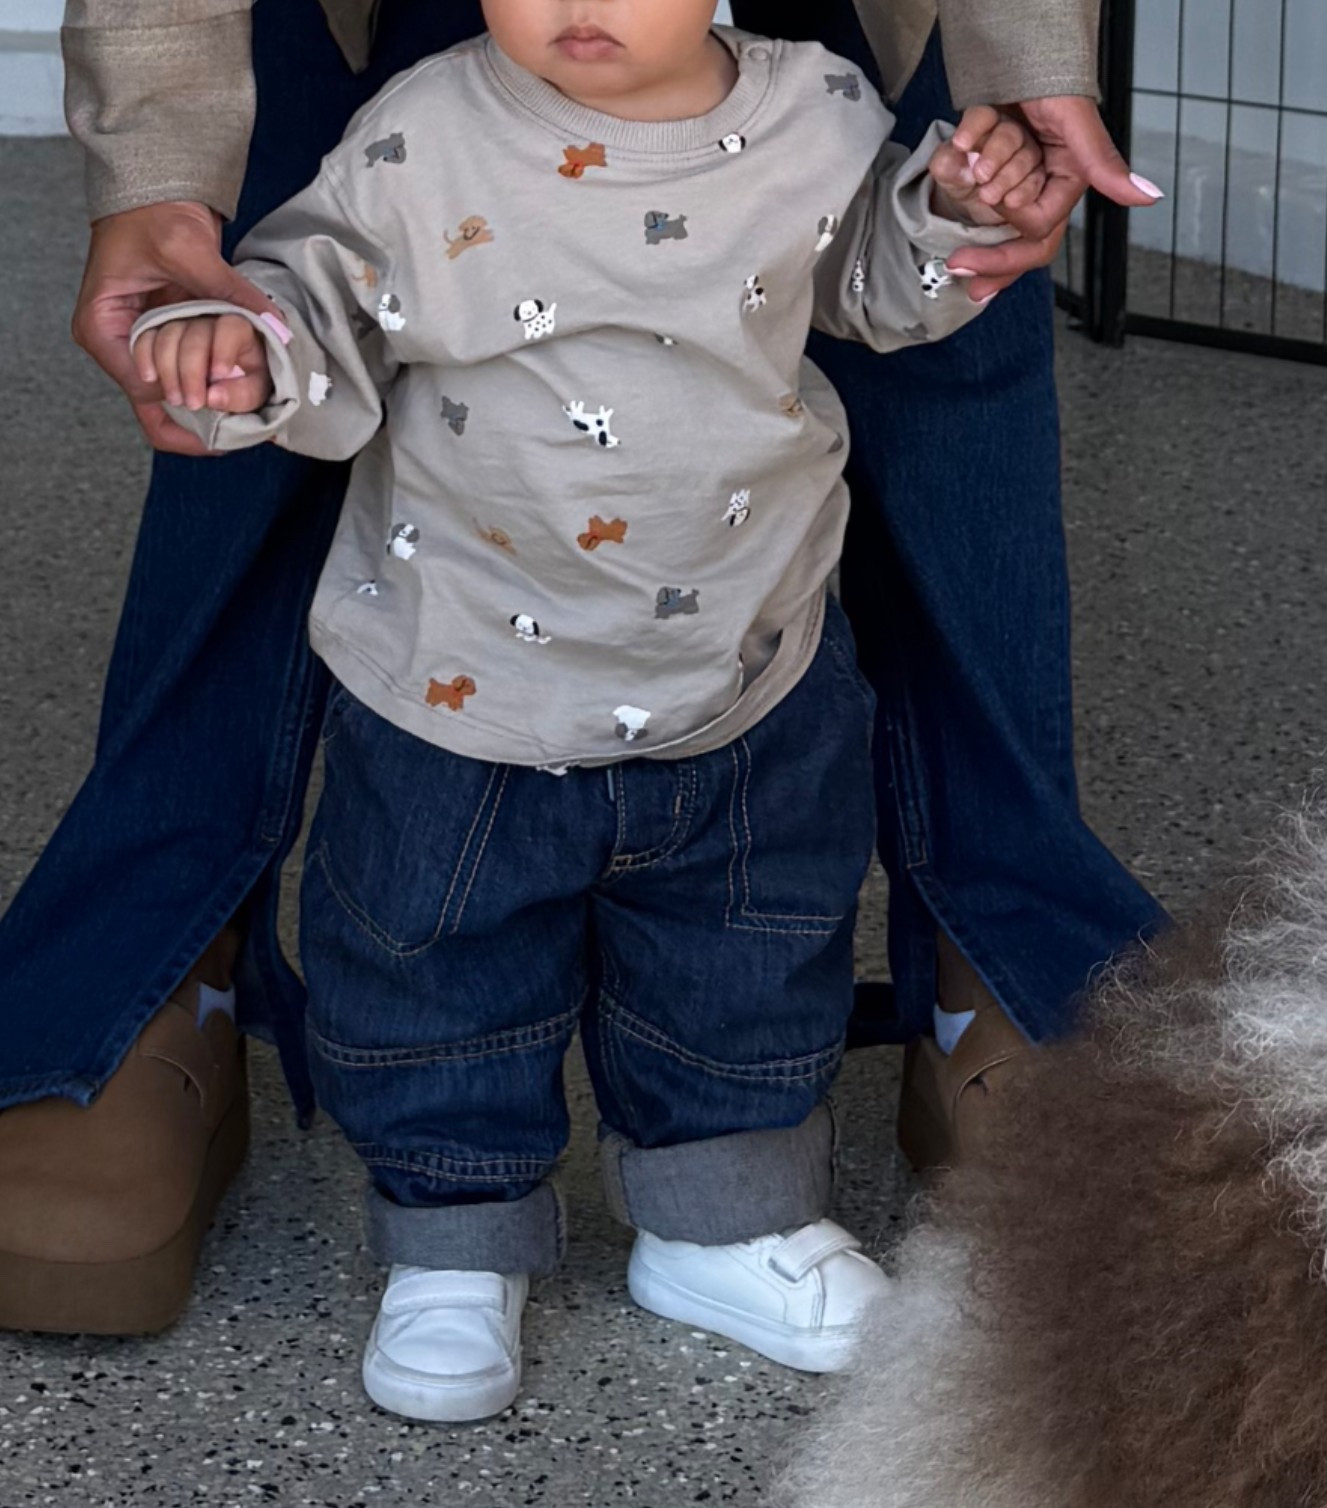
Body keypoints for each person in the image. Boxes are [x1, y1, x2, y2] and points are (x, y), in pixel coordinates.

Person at [0, 0, 1165, 1338]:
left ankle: (888, 1058)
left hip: (746, 660)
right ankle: (414, 1200)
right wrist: (235, 338)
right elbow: (312, 299)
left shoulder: (819, 113)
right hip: (459, 674)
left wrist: (961, 193)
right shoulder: (415, 137)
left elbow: (882, 281)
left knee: (751, 938)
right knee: (432, 946)